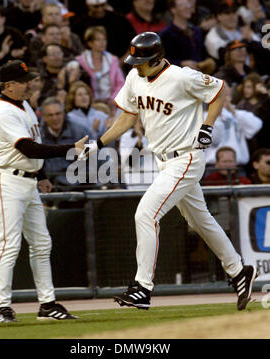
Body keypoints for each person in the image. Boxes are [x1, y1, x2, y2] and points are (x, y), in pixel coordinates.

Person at [79, 32, 259, 311]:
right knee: (201, 221)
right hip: (163, 160)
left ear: (157, 58)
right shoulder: (134, 78)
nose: (136, 65)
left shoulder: (181, 76)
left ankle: (142, 287)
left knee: (146, 214)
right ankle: (239, 271)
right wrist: (99, 142)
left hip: (186, 157)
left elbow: (219, 90)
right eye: (134, 59)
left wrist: (207, 126)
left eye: (142, 60)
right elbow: (128, 115)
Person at [0, 59, 88, 323]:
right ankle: (2, 307)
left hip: (28, 180)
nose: (29, 84)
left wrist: (41, 175)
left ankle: (47, 303)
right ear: (9, 86)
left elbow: (36, 145)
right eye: (24, 81)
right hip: (7, 181)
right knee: (9, 245)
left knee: (42, 243)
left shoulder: (25, 105)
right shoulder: (3, 112)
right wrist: (70, 149)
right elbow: (28, 149)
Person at [203, 84, 262, 170]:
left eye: (226, 94)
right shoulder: (204, 116)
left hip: (238, 166)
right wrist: (216, 113)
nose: (223, 98)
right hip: (212, 167)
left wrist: (232, 111)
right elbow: (213, 140)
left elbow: (256, 126)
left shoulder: (238, 114)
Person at [40, 96, 93, 189]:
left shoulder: (81, 132)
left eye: (58, 114)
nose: (55, 118)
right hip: (49, 187)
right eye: (50, 115)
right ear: (44, 117)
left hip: (78, 187)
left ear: (64, 114)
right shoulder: (38, 137)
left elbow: (92, 161)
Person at [76, 26, 125, 112]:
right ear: (90, 43)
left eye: (104, 40)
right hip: (89, 105)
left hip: (110, 105)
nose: (102, 43)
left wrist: (112, 99)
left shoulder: (113, 60)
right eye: (98, 40)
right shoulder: (80, 61)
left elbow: (121, 83)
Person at [159, 0, 215, 73]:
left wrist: (208, 61)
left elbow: (203, 53)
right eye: (183, 5)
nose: (188, 7)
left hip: (200, 76)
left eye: (188, 4)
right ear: (173, 9)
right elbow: (162, 61)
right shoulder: (166, 34)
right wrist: (181, 63)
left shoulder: (197, 31)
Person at [71, 0, 136, 60]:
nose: (100, 9)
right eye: (96, 7)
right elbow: (78, 48)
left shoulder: (120, 20)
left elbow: (133, 43)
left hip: (122, 64)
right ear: (88, 6)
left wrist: (119, 64)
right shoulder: (80, 24)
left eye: (103, 5)